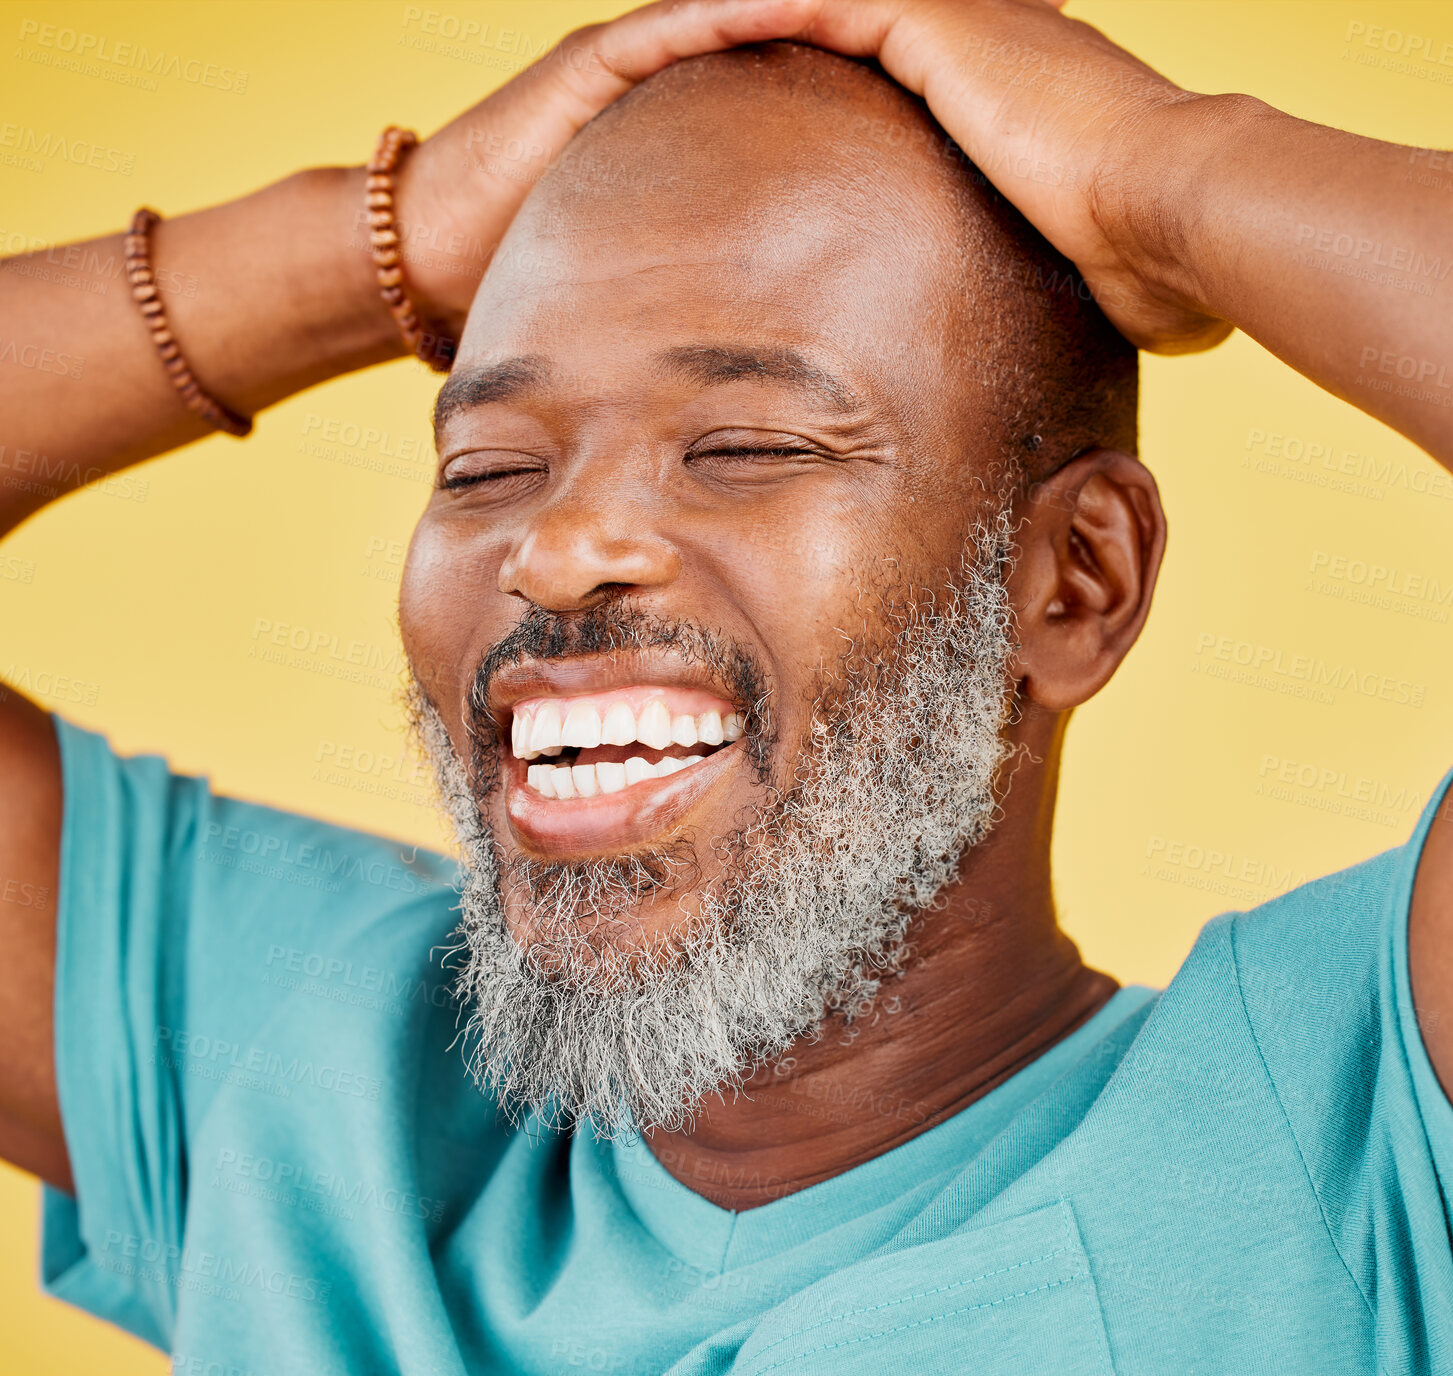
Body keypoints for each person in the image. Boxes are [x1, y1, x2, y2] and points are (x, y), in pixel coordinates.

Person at [1, 0, 1449, 1371]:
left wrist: (1163, 175)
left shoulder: (1349, 1125)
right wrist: (385, 241)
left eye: (747, 448)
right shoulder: (311, 1072)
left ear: (1074, 581)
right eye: (486, 469)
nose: (558, 550)